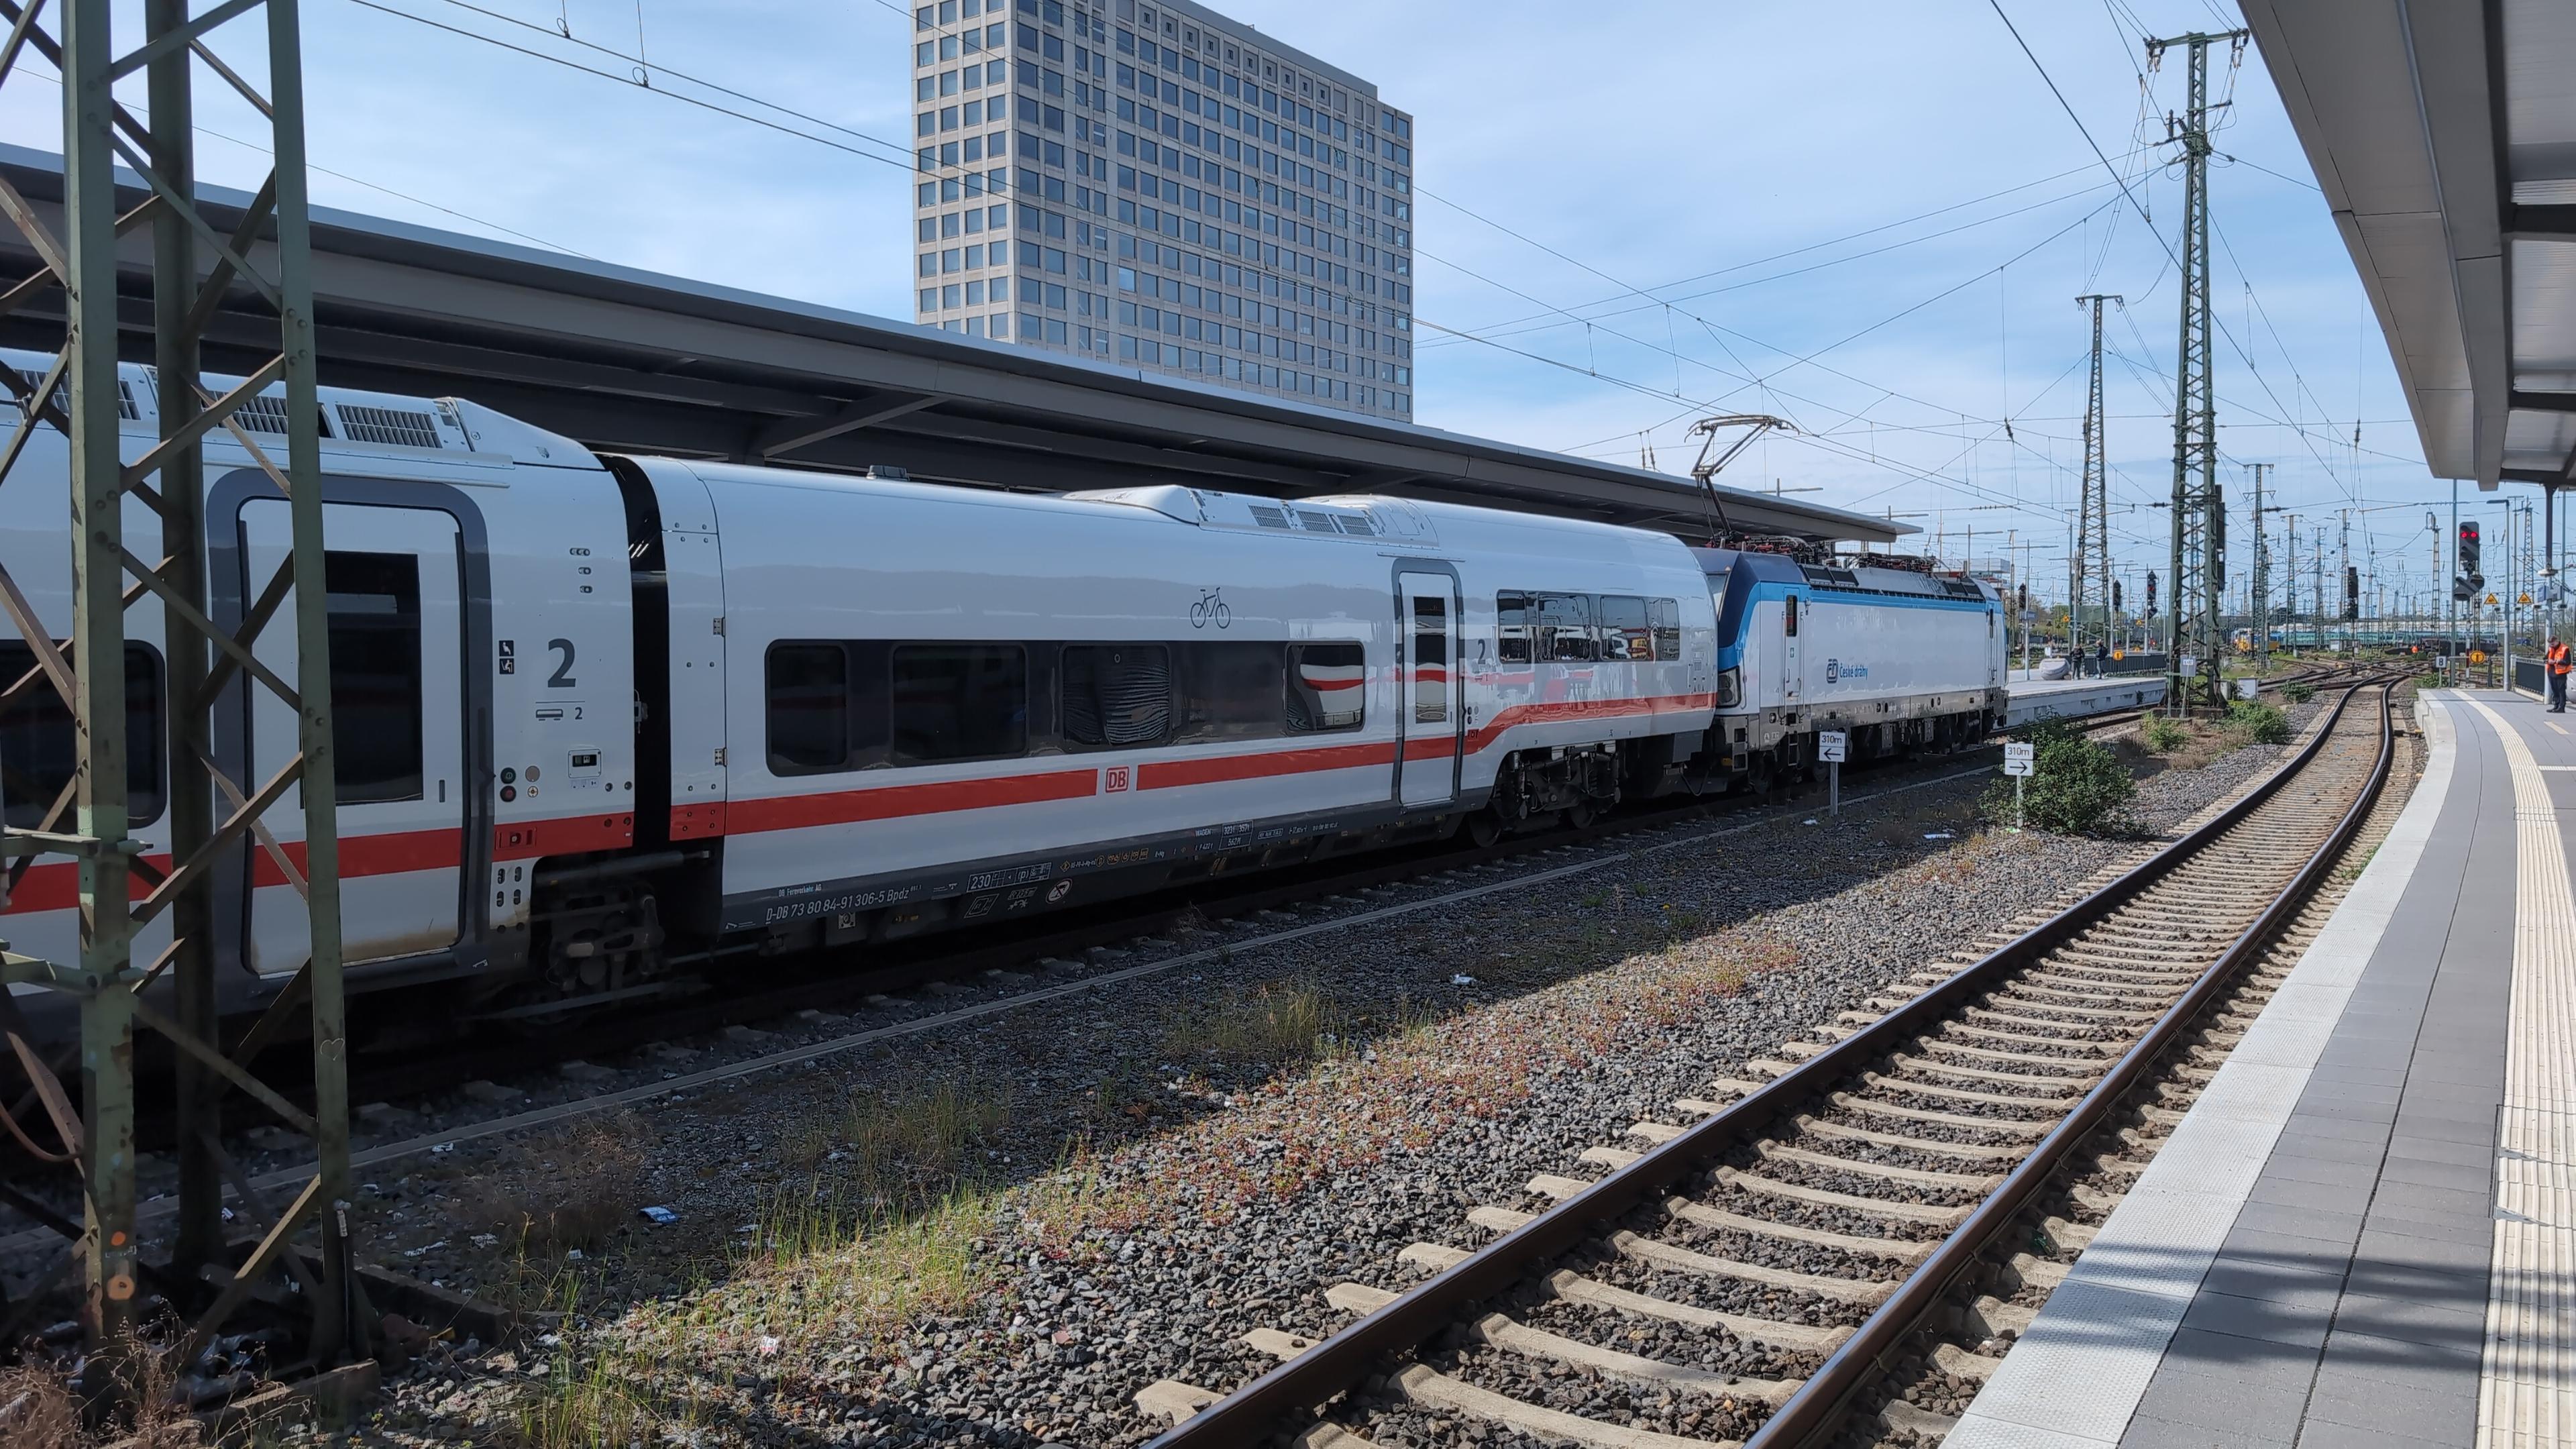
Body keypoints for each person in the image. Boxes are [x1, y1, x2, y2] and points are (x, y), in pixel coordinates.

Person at [2549, 634, 2571, 713]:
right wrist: (2548, 661)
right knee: (2555, 690)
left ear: (2557, 641)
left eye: (2553, 644)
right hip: (2552, 672)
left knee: (2561, 690)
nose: (2551, 645)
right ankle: (2556, 706)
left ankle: (2561, 707)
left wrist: (2558, 661)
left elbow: (2568, 662)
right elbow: (2546, 658)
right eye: (2550, 644)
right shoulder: (2551, 649)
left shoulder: (2565, 649)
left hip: (2561, 673)